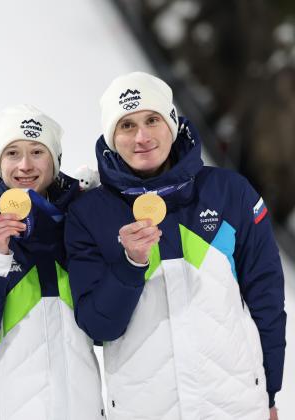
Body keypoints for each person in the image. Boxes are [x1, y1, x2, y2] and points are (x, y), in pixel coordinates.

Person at [65, 71, 286, 420]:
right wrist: (130, 265)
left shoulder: (229, 192)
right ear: (111, 137)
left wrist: (270, 393)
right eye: (126, 125)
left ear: (172, 123)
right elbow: (99, 327)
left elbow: (267, 299)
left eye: (152, 119)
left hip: (236, 406)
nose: (142, 137)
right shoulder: (88, 213)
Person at [0, 105, 105, 420]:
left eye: (37, 152)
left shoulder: (76, 223)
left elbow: (103, 329)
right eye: (12, 153)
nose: (25, 165)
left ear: (56, 160)